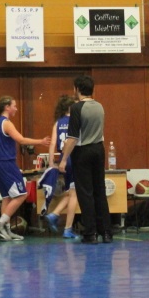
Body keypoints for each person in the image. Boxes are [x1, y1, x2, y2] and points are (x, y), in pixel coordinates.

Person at [57, 75, 111, 244]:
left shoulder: (76, 108)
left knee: (85, 193)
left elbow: (73, 137)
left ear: (77, 89)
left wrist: (64, 159)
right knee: (99, 190)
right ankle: (106, 232)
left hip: (83, 152)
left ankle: (90, 233)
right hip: (99, 149)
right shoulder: (100, 106)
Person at [0, 96, 51, 241]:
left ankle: (6, 230)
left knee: (7, 196)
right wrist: (40, 141)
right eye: (14, 106)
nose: (16, 109)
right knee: (22, 194)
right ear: (7, 107)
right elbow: (21, 140)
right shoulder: (6, 123)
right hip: (6, 162)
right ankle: (0, 223)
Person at [43, 95, 79, 239]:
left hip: (62, 159)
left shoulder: (57, 123)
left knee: (70, 192)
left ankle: (54, 214)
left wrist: (51, 162)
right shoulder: (76, 120)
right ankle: (68, 228)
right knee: (75, 194)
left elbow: (52, 144)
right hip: (74, 157)